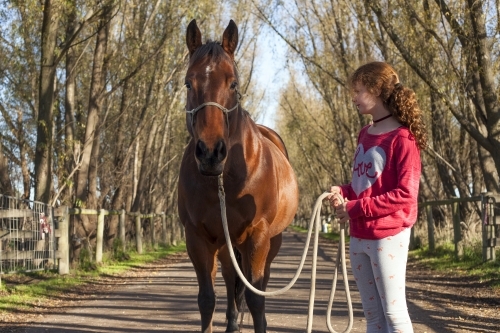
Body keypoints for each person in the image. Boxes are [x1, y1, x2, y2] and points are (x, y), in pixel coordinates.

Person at [328, 61, 427, 333]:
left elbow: (406, 195)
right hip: (359, 236)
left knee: (394, 315)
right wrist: (342, 192)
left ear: (377, 91)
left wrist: (355, 208)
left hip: (388, 236)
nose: (354, 98)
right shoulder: (365, 134)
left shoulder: (403, 139)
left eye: (358, 91)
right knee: (372, 317)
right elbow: (364, 185)